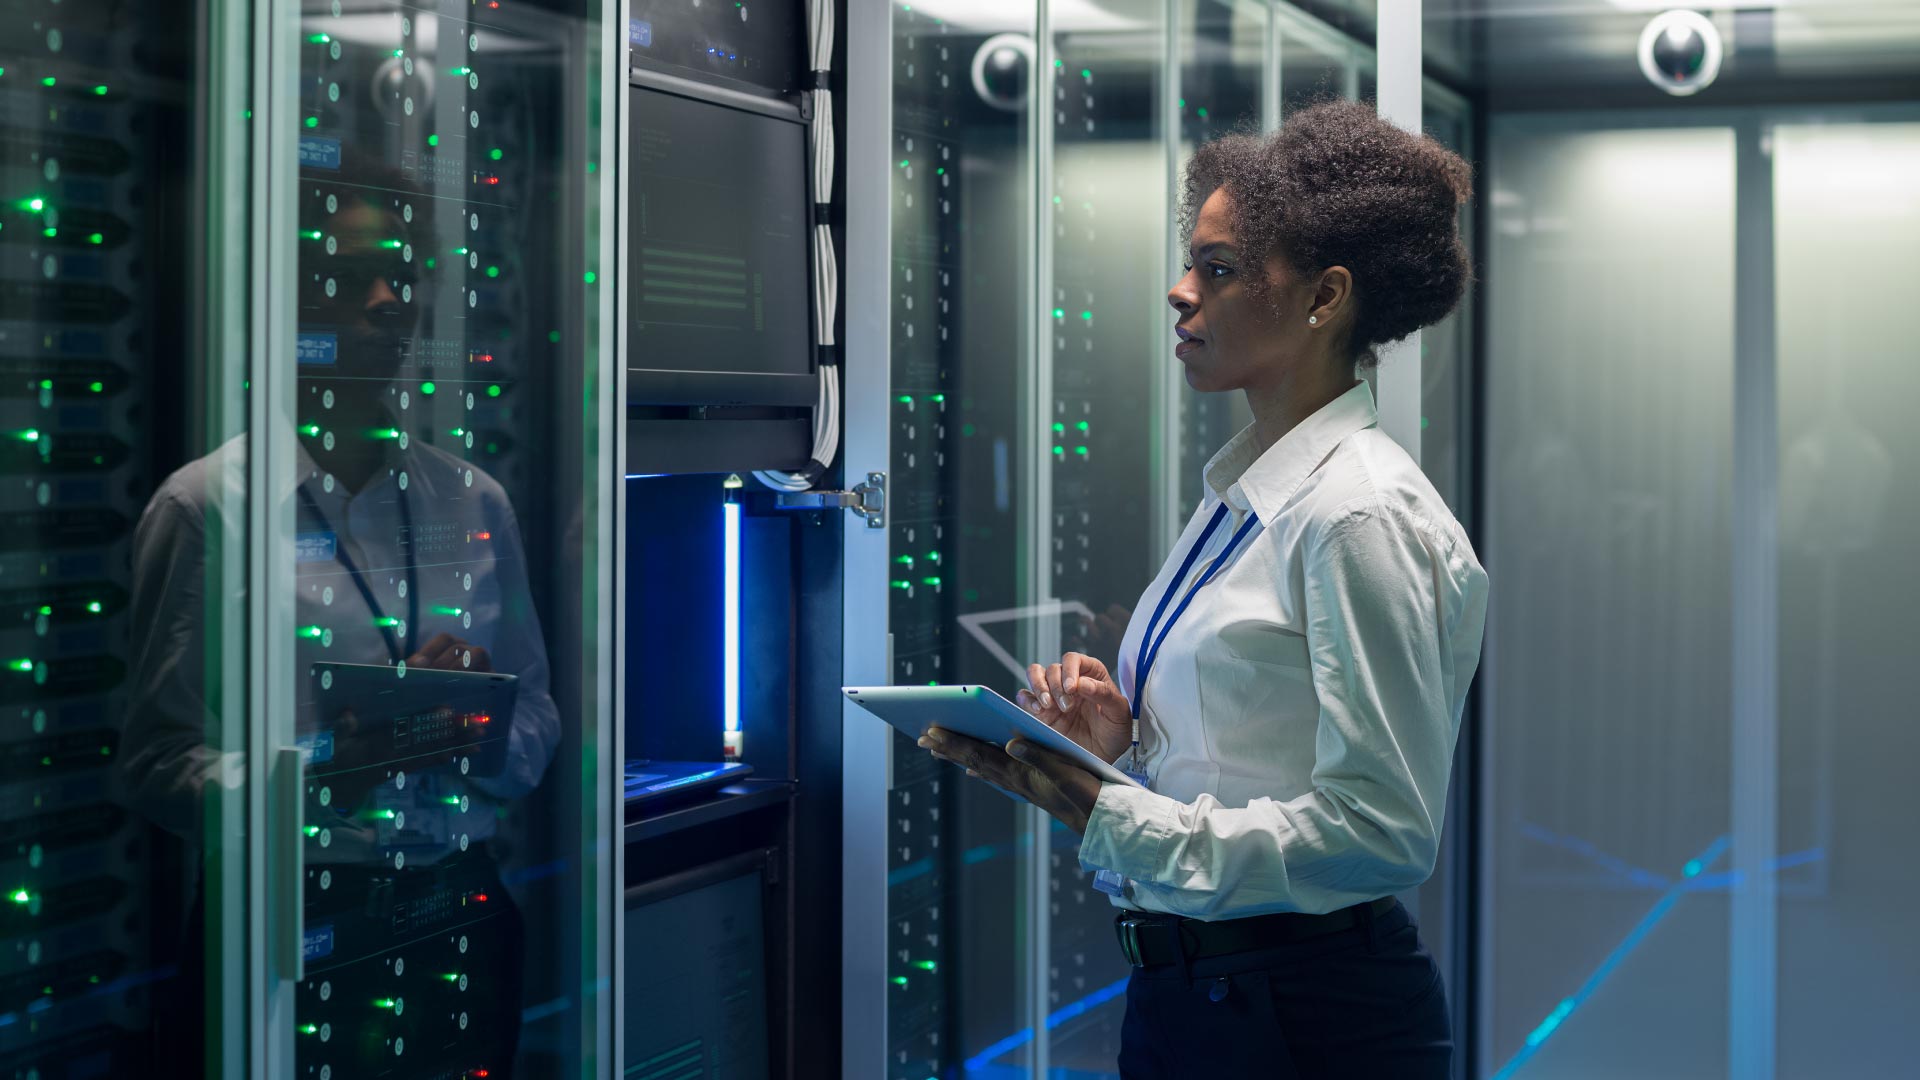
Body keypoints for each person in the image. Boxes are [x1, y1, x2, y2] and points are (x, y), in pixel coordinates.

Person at [918, 100, 1488, 1078]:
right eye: (1191, 263)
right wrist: (1117, 753)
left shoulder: (1357, 513)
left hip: (1306, 1017)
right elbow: (1246, 765)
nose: (1180, 293)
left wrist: (1114, 815)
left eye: (1218, 271)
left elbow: (1380, 834)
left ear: (1324, 300)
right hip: (1201, 997)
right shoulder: (1249, 490)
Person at [118, 150, 559, 1078]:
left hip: (460, 910)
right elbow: (156, 766)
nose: (390, 300)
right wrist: (325, 770)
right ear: (287, 301)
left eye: (403, 273)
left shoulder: (472, 500)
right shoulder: (208, 508)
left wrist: (481, 720)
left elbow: (538, 720)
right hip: (292, 919)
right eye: (353, 276)